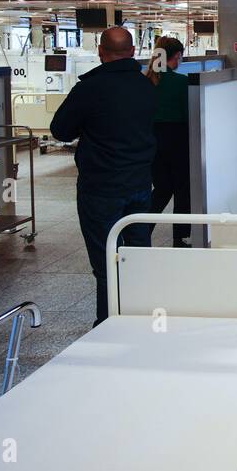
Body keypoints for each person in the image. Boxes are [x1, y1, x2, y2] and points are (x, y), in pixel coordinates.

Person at [50, 26, 156, 324]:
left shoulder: (89, 89)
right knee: (138, 258)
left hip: (101, 188)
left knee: (107, 261)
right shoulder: (146, 87)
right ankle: (140, 316)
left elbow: (61, 130)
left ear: (100, 51)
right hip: (139, 185)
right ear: (133, 51)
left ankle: (108, 324)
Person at [145, 36, 192, 247]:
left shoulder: (146, 80)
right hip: (178, 140)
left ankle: (142, 230)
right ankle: (179, 238)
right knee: (182, 190)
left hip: (152, 141)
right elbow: (188, 115)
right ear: (177, 56)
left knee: (162, 188)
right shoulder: (182, 82)